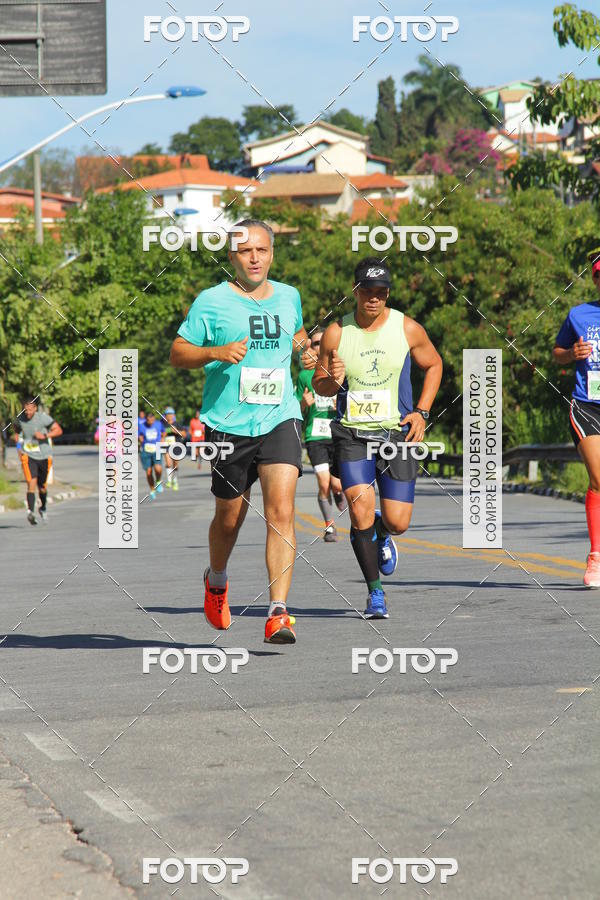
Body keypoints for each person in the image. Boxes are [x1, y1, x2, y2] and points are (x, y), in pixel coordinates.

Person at [170, 218, 312, 644]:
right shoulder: (211, 302)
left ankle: (278, 612)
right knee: (228, 520)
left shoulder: (289, 296)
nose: (254, 257)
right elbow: (178, 352)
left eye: (262, 250)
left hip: (280, 417)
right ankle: (216, 580)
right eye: (245, 251)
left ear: (272, 254)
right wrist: (214, 351)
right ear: (231, 256)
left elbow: (299, 336)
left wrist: (310, 356)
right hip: (227, 423)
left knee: (281, 511)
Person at [313, 258, 443, 619]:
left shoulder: (407, 328)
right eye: (367, 292)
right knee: (359, 510)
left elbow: (434, 364)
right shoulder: (338, 333)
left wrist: (423, 411)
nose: (374, 299)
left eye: (381, 293)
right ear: (355, 291)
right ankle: (375, 594)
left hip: (396, 433)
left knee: (399, 521)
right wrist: (333, 379)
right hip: (352, 433)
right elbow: (319, 384)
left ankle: (383, 534)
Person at [553, 248, 600, 587]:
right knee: (599, 478)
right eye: (599, 276)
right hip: (588, 405)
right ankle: (596, 558)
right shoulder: (579, 314)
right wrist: (571, 353)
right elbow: (557, 354)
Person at [295, 330, 346, 542]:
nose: (319, 346)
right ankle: (329, 527)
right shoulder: (304, 376)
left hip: (338, 435)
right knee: (324, 483)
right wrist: (303, 404)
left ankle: (338, 492)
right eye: (316, 343)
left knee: (337, 485)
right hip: (315, 437)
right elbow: (295, 408)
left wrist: (342, 405)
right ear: (311, 348)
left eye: (323, 342)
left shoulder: (340, 372)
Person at [13, 399, 63, 525]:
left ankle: (43, 508)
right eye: (26, 410)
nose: (28, 413)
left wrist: (45, 436)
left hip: (44, 455)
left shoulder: (43, 418)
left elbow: (58, 430)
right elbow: (16, 435)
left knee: (42, 487)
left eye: (30, 410)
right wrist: (19, 448)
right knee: (31, 483)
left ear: (35, 409)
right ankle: (30, 512)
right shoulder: (20, 420)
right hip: (29, 455)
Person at [138, 410, 165, 500]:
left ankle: (158, 482)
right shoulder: (141, 426)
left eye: (152, 420)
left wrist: (162, 439)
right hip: (146, 450)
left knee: (158, 468)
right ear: (146, 420)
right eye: (149, 421)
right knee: (149, 472)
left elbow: (163, 432)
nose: (151, 423)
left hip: (156, 448)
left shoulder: (158, 424)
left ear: (154, 419)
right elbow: (139, 435)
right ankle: (152, 490)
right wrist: (140, 438)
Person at [163, 407, 185, 491]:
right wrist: (165, 433)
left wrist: (175, 431)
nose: (169, 416)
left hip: (176, 446)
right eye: (168, 414)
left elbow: (184, 434)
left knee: (175, 465)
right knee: (168, 464)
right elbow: (161, 434)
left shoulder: (177, 424)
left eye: (171, 414)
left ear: (174, 415)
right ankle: (169, 480)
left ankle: (175, 480)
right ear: (165, 416)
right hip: (166, 446)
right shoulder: (163, 424)